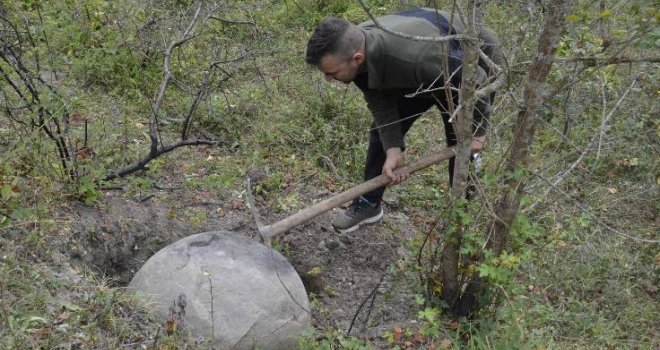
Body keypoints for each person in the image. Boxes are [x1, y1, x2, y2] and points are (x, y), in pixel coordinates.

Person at [305, 7, 503, 233]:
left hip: (468, 64)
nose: (328, 79)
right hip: (426, 69)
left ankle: (461, 219)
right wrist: (393, 148)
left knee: (462, 146)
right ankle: (369, 204)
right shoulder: (356, 48)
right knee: (381, 133)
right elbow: (378, 98)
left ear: (356, 59)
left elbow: (477, 79)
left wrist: (477, 132)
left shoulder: (417, 58)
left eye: (331, 73)